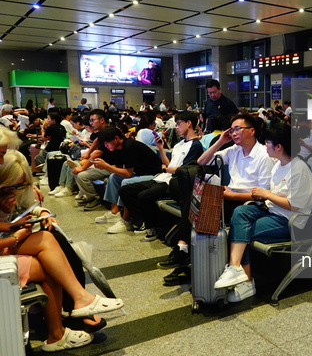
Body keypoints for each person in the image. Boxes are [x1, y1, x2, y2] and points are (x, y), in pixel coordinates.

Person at [0, 150, 124, 351]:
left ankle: (73, 307)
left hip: (8, 242)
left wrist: (40, 211)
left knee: (52, 238)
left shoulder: (10, 186)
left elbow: (23, 210)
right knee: (49, 255)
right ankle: (66, 317)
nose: (2, 157)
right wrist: (15, 234)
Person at [214, 123, 312, 302]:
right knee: (241, 211)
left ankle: (244, 281)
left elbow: (294, 205)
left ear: (279, 147)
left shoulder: (299, 169)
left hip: (289, 221)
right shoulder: (279, 165)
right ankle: (235, 267)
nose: (265, 145)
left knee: (241, 232)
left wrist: (266, 194)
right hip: (272, 211)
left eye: (268, 143)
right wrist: (264, 199)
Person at [157, 113, 273, 270]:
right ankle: (186, 251)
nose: (233, 133)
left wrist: (232, 195)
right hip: (228, 197)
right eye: (231, 130)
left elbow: (263, 195)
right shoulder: (234, 150)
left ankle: (187, 254)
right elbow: (202, 161)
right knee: (195, 201)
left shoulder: (264, 155)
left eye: (238, 129)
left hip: (248, 203)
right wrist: (221, 141)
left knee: (198, 207)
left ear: (252, 131)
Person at [119, 111, 204, 240]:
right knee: (125, 190)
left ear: (189, 123)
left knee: (144, 196)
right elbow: (169, 164)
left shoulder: (196, 146)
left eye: (179, 124)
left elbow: (184, 171)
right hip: (164, 178)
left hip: (174, 182)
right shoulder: (179, 144)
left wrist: (166, 170)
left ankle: (153, 227)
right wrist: (160, 148)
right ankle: (142, 222)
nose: (177, 127)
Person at [90, 126, 162, 232]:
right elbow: (119, 168)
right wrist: (103, 166)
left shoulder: (129, 146)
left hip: (154, 175)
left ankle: (126, 221)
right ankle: (114, 212)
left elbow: (128, 174)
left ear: (116, 138)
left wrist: (106, 166)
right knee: (113, 177)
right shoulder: (117, 148)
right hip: (139, 174)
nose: (105, 146)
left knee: (126, 182)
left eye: (107, 142)